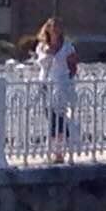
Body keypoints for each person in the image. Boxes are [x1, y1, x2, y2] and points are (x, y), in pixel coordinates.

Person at [32, 18, 77, 160]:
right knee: (50, 116)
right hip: (46, 83)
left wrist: (68, 79)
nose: (55, 30)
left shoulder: (67, 46)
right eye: (52, 27)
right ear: (47, 29)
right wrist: (48, 53)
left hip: (61, 83)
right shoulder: (41, 46)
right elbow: (41, 63)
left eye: (58, 27)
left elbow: (73, 65)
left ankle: (59, 151)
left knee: (59, 117)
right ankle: (54, 150)